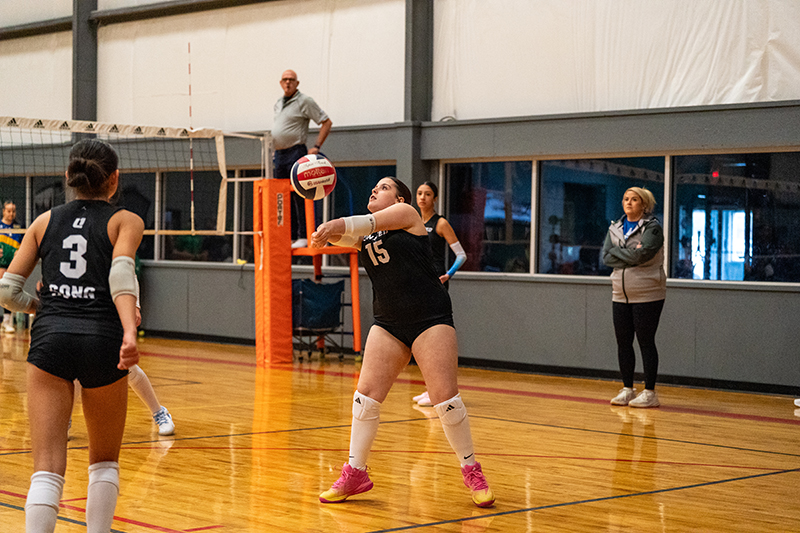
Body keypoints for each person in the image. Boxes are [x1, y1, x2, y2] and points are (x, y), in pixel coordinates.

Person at [311, 176, 495, 508]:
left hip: (430, 317)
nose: (374, 190)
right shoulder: (366, 235)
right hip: (389, 322)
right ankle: (355, 473)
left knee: (445, 400)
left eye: (383, 187)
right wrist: (319, 233)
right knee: (365, 397)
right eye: (374, 187)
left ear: (399, 200)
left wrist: (334, 224)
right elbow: (342, 236)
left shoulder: (408, 215)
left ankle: (471, 469)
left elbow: (357, 223)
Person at [0, 138, 144, 532]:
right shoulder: (125, 220)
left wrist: (39, 308)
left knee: (46, 469)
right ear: (114, 180)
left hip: (51, 341)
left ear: (68, 177)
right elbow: (120, 275)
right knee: (103, 462)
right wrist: (130, 330)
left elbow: (8, 292)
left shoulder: (43, 222)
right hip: (103, 340)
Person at [602, 187, 666, 409]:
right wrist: (629, 254)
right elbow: (606, 257)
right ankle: (627, 388)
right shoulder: (615, 228)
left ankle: (650, 392)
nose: (628, 203)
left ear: (644, 204)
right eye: (626, 199)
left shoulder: (653, 228)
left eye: (634, 199)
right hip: (620, 293)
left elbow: (643, 255)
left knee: (645, 342)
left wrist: (619, 253)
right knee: (623, 342)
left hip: (648, 293)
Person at [412, 181, 467, 408]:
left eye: (428, 194)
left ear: (435, 198)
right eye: (419, 193)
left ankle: (436, 391)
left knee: (433, 338)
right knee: (420, 337)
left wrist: (448, 275)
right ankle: (430, 388)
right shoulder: (413, 221)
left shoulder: (441, 223)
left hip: (436, 284)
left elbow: (461, 255)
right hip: (418, 283)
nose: (423, 197)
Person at [272, 69, 333, 248]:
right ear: (281, 82)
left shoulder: (305, 101)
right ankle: (289, 236)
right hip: (279, 154)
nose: (288, 82)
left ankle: (304, 235)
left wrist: (316, 147)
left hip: (296, 152)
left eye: (291, 80)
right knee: (282, 196)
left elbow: (326, 122)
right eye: (285, 79)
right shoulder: (278, 103)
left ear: (297, 83)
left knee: (300, 193)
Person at [0, 200, 23, 332]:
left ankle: (7, 321)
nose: (11, 214)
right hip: (0, 265)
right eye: (8, 211)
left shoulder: (18, 228)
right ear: (3, 211)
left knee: (7, 291)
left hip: (12, 266)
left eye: (13, 211)